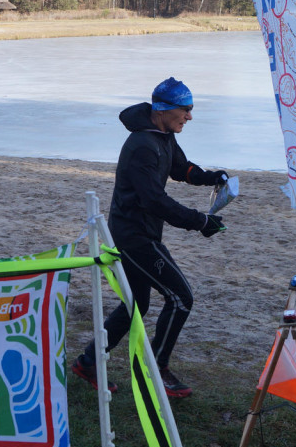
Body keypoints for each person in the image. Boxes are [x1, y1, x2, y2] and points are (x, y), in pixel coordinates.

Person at [73, 77, 229, 398]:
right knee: (181, 297)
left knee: (137, 305)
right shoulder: (143, 145)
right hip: (134, 238)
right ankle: (157, 369)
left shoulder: (163, 136)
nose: (189, 117)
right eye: (185, 110)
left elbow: (182, 169)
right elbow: (154, 201)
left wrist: (212, 177)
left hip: (142, 233)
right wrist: (199, 221)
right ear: (164, 110)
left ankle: (87, 362)